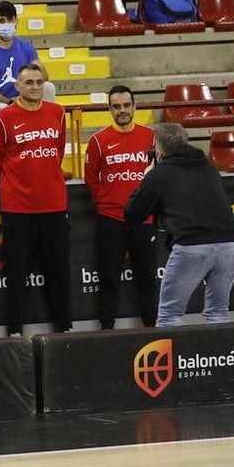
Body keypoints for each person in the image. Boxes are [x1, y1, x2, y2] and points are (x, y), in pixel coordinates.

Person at [125, 123, 234, 327]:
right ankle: (218, 356)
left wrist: (146, 178)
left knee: (170, 316)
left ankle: (176, 359)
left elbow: (132, 214)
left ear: (158, 149)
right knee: (218, 313)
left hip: (192, 245)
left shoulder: (159, 175)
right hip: (231, 245)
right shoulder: (209, 167)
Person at [0, 63, 73, 337]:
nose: (35, 87)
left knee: (59, 271)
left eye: (38, 82)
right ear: (18, 86)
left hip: (53, 205)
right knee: (16, 273)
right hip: (17, 207)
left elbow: (58, 153)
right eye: (29, 83)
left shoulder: (57, 113)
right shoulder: (4, 118)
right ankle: (14, 330)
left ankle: (65, 327)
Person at [85, 86, 158, 329]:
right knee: (109, 278)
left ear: (135, 106)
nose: (122, 110)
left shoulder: (151, 137)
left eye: (127, 105)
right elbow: (91, 177)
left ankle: (151, 326)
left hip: (144, 220)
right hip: (110, 219)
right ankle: (107, 329)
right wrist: (106, 202)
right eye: (117, 106)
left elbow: (161, 174)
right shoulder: (98, 141)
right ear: (110, 109)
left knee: (147, 277)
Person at [0, 0, 57, 105]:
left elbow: (43, 76)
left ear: (16, 21)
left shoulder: (26, 46)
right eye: (1, 21)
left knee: (48, 87)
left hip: (24, 96)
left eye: (10, 20)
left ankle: (45, 120)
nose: (6, 24)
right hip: (1, 102)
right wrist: (10, 102)